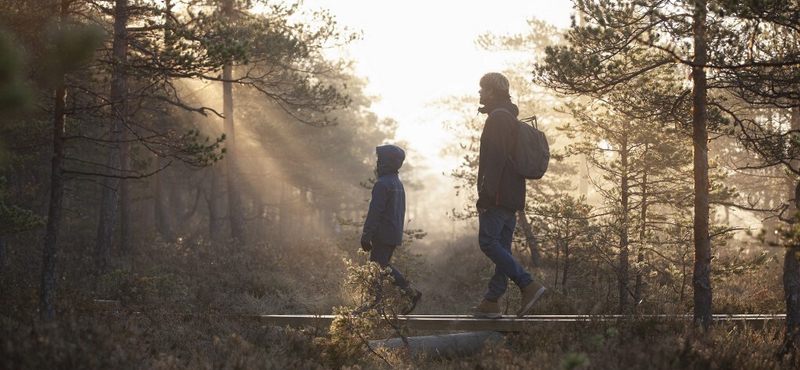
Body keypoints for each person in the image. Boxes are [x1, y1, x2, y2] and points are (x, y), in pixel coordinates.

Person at [473, 72, 546, 318]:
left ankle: (527, 284)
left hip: (498, 196)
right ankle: (491, 301)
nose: (480, 93)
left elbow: (496, 159)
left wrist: (485, 194)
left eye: (482, 89)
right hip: (513, 195)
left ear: (492, 91)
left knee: (488, 242)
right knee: (502, 246)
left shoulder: (498, 119)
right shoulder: (509, 118)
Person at [361, 144, 422, 314]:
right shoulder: (397, 183)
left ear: (386, 162)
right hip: (393, 234)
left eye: (380, 159)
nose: (377, 162)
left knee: (375, 268)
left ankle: (376, 304)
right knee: (382, 267)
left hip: (382, 234)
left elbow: (376, 211)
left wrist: (366, 235)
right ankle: (408, 293)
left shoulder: (382, 184)